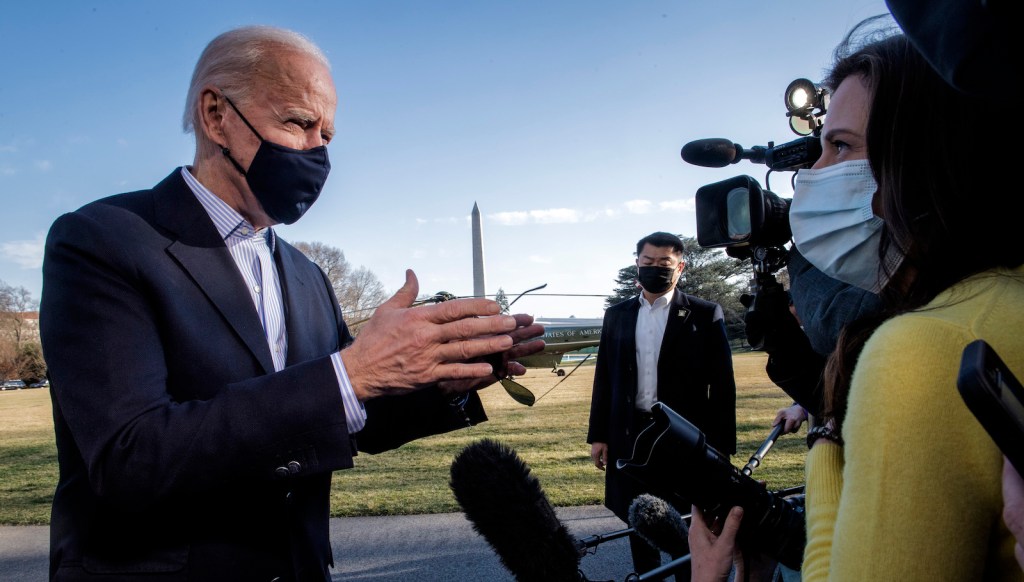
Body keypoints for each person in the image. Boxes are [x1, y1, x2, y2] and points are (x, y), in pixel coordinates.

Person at [39, 26, 544, 581]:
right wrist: (351, 374)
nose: (318, 151)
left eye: (327, 134)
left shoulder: (306, 275)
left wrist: (443, 376)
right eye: (300, 122)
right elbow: (130, 457)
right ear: (215, 116)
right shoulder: (103, 240)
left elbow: (347, 418)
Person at [690, 17, 1024, 581]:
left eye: (839, 146)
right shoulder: (1003, 299)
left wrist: (829, 437)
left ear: (925, 160)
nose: (812, 176)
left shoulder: (921, 350)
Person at [587, 231, 736, 577]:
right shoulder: (617, 315)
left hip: (682, 436)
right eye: (647, 262)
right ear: (637, 263)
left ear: (680, 267)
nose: (655, 268)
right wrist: (599, 435)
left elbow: (723, 386)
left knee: (686, 523)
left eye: (664, 264)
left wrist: (721, 446)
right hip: (630, 433)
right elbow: (604, 378)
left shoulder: (704, 314)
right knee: (639, 519)